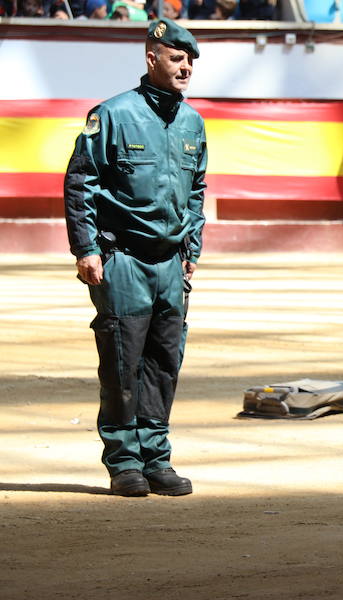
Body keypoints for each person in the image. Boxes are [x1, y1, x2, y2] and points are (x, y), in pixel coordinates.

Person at [63, 17, 207, 497]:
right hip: (122, 259)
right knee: (123, 364)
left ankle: (156, 457)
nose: (185, 67)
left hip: (169, 264)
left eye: (190, 61)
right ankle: (125, 462)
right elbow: (81, 182)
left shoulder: (192, 122)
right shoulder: (113, 115)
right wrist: (86, 248)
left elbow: (197, 191)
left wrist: (191, 249)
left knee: (165, 362)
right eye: (176, 58)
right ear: (152, 57)